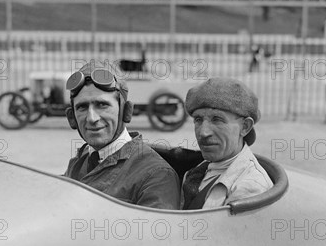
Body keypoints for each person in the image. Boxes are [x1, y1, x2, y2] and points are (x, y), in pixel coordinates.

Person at [63, 61, 180, 209]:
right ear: (71, 117)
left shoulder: (156, 175)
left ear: (125, 111)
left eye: (102, 105)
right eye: (82, 107)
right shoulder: (78, 163)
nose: (92, 118)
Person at [182, 78, 272, 210]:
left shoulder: (251, 186)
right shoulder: (199, 170)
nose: (203, 132)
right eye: (198, 119)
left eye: (217, 119)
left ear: (245, 127)